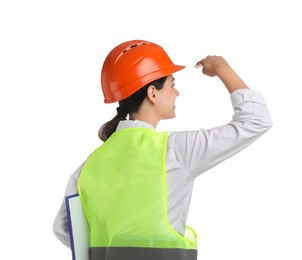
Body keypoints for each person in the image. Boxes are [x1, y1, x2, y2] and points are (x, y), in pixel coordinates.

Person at [53, 39, 273, 260]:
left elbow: (64, 229)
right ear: (152, 93)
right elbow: (256, 121)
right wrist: (222, 69)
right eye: (172, 84)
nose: (177, 93)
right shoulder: (174, 151)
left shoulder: (89, 165)